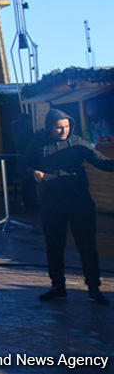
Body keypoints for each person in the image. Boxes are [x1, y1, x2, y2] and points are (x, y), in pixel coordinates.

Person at [27, 108, 114, 303]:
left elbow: (101, 161)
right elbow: (21, 166)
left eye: (65, 127)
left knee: (87, 245)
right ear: (50, 127)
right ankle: (58, 286)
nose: (62, 131)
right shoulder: (37, 145)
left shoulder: (77, 143)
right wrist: (32, 173)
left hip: (79, 201)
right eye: (58, 127)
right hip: (52, 202)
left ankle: (93, 288)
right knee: (54, 245)